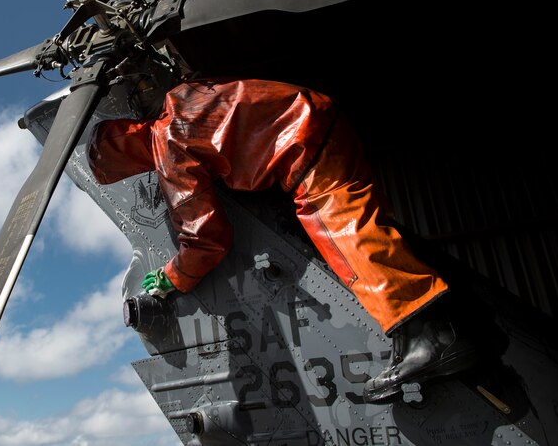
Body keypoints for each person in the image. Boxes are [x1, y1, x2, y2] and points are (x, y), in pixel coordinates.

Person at [87, 76, 477, 403]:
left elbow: (207, 237)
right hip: (320, 116)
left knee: (342, 234)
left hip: (302, 144)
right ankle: (439, 329)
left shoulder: (166, 143)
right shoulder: (184, 96)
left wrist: (174, 276)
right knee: (369, 222)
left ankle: (433, 336)